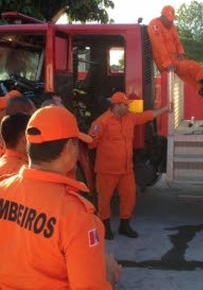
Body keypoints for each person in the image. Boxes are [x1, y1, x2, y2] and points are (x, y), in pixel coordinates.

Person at [0, 105, 120, 288]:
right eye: (77, 144)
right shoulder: (77, 218)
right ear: (69, 147)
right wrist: (109, 277)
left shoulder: (3, 189)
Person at [88, 91, 170, 240]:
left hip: (126, 169)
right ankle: (104, 227)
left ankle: (124, 225)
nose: (128, 108)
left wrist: (164, 109)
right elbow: (91, 142)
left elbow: (147, 115)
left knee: (129, 197)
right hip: (107, 170)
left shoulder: (130, 118)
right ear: (117, 105)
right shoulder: (101, 122)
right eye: (126, 105)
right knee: (104, 199)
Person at [147, 5, 203, 107]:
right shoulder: (154, 25)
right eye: (170, 20)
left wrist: (181, 53)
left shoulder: (172, 27)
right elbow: (159, 46)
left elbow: (177, 41)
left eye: (173, 19)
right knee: (194, 66)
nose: (172, 22)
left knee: (194, 83)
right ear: (163, 16)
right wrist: (168, 63)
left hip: (176, 61)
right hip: (166, 63)